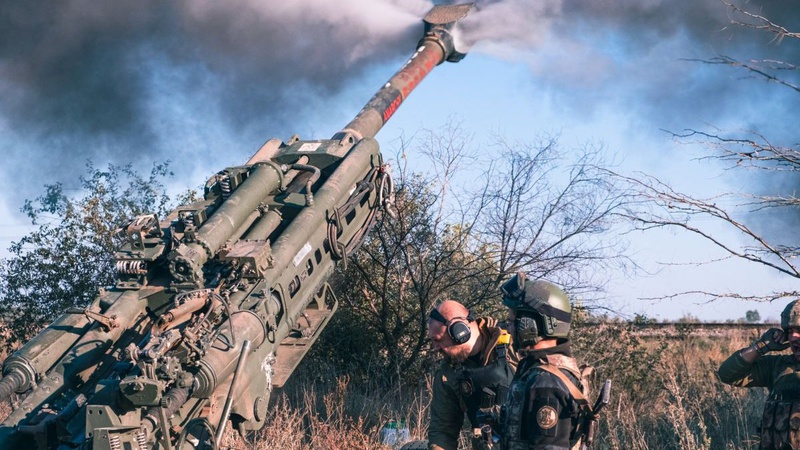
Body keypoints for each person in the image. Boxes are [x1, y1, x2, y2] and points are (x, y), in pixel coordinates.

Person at [497, 272, 591, 450]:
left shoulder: (547, 382)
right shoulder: (536, 368)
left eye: (511, 321)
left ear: (529, 325)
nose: (508, 328)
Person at [426, 299, 517, 450]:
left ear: (459, 330)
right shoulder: (448, 372)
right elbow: (443, 430)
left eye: (438, 340)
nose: (435, 348)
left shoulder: (515, 343)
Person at [718, 299, 800, 450]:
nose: (794, 337)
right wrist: (761, 346)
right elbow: (727, 374)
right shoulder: (778, 366)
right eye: (789, 331)